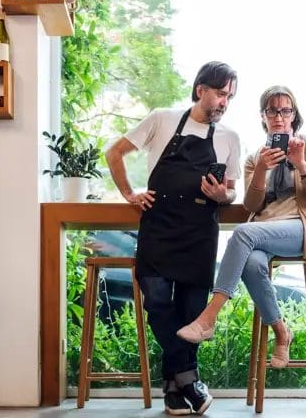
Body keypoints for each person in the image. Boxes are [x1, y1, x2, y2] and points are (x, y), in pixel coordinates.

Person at [105, 61, 241, 416]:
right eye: (220, 93)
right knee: (158, 302)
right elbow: (114, 152)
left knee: (192, 313)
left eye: (230, 97)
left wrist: (219, 196)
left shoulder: (230, 138)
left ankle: (173, 389)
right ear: (201, 90)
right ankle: (189, 378)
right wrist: (129, 194)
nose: (225, 102)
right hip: (159, 226)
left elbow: (230, 192)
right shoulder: (162, 119)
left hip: (200, 233)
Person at [176, 85, 306, 369]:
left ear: (294, 115)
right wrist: (261, 169)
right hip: (264, 231)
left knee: (242, 232)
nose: (278, 116)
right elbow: (252, 206)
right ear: (263, 116)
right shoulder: (254, 159)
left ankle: (208, 317)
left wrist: (301, 165)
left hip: (301, 228)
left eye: (285, 110)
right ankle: (282, 332)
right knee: (250, 265)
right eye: (272, 110)